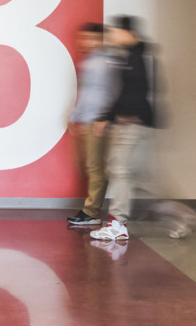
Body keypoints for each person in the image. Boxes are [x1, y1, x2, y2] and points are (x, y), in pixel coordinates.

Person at [90, 15, 157, 242]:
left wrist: (126, 115)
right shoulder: (130, 56)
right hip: (128, 122)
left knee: (119, 170)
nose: (113, 36)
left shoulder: (137, 57)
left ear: (129, 33)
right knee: (123, 172)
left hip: (132, 123)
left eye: (116, 32)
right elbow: (123, 92)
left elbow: (140, 90)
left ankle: (117, 224)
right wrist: (108, 117)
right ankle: (120, 222)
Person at [66, 22, 119, 228]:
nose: (85, 42)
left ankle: (91, 212)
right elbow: (87, 92)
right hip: (86, 121)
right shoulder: (89, 62)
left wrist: (105, 117)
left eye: (91, 38)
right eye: (84, 37)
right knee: (88, 166)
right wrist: (75, 115)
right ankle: (91, 210)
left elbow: (114, 92)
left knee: (96, 168)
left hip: (98, 122)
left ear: (100, 40)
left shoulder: (107, 62)